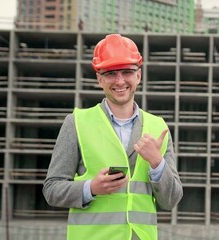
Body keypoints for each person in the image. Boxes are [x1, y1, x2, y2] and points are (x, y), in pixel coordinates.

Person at [43, 34, 183, 240]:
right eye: (110, 73)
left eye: (127, 72)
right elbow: (52, 189)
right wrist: (90, 188)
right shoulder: (76, 123)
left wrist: (156, 162)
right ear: (99, 78)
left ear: (138, 76)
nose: (119, 81)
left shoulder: (158, 128)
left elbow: (171, 201)